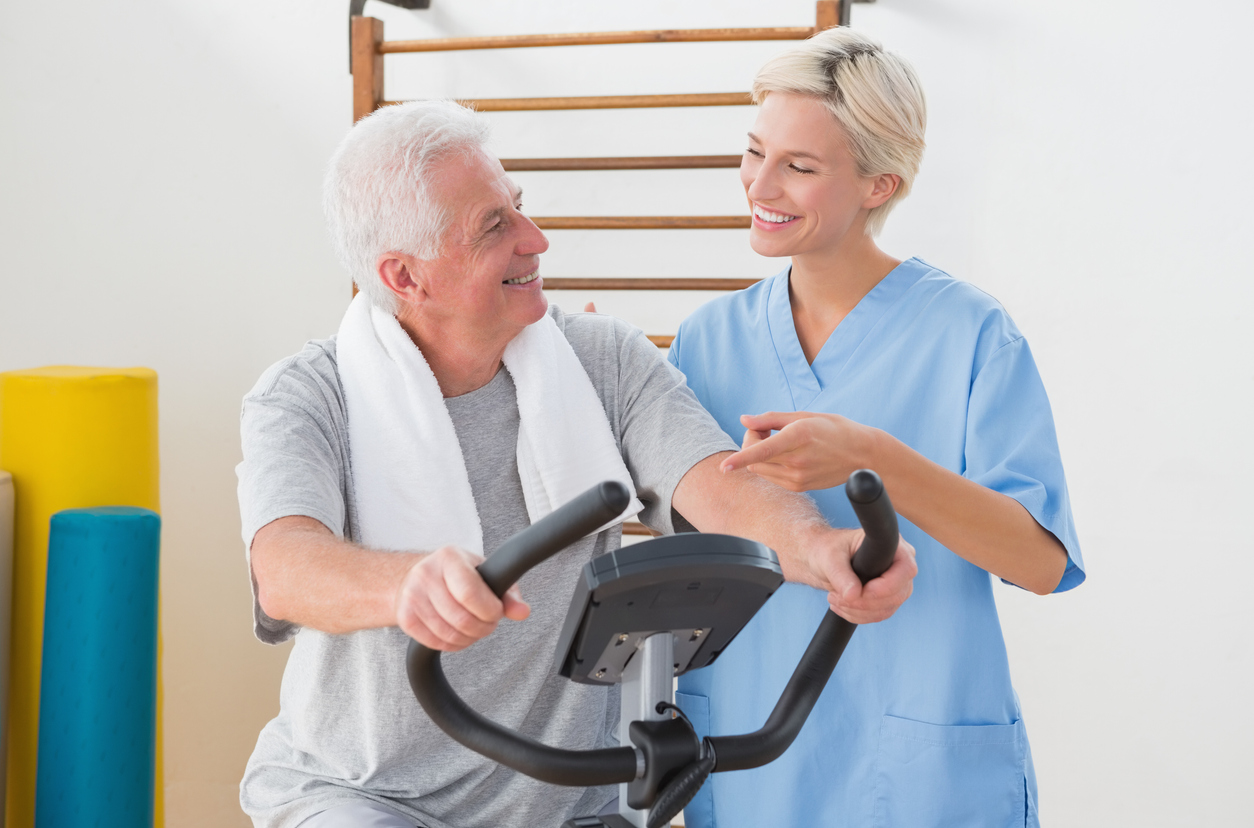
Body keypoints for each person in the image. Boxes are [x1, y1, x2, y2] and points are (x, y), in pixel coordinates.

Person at [235, 100, 916, 828]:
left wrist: (822, 549)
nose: (537, 240)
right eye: (494, 227)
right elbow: (285, 568)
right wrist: (408, 585)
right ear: (405, 277)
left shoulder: (603, 361)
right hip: (365, 794)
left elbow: (717, 482)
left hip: (572, 804)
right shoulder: (306, 396)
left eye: (518, 208)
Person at [668, 28, 1086, 828]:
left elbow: (1039, 563)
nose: (762, 183)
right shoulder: (706, 340)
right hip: (756, 736)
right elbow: (688, 545)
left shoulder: (970, 333)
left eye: (801, 166)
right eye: (756, 152)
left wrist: (871, 457)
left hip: (921, 753)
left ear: (877, 183)